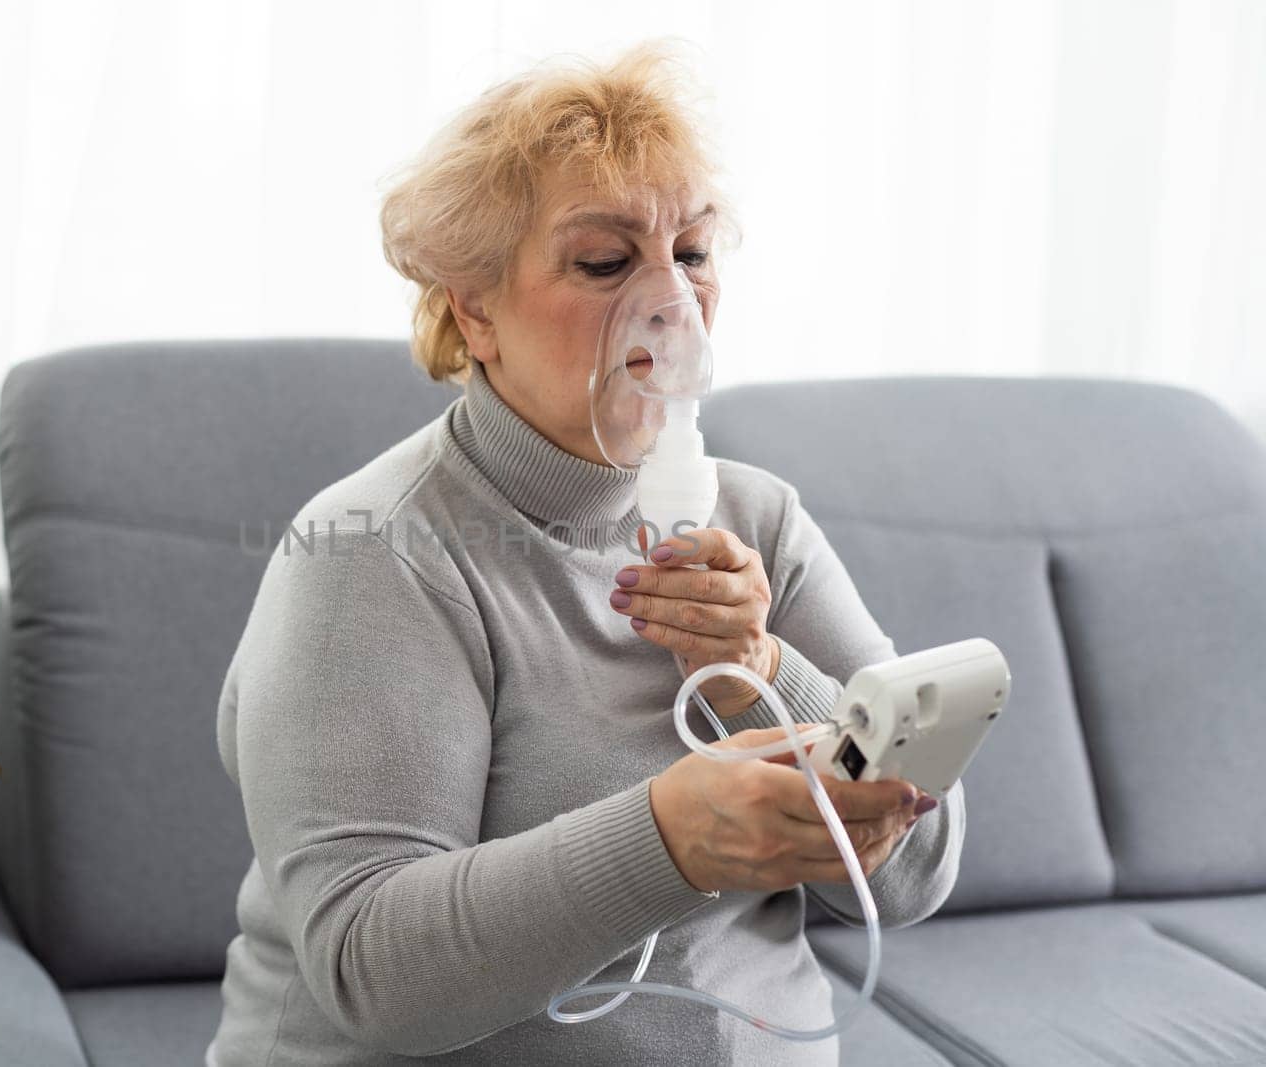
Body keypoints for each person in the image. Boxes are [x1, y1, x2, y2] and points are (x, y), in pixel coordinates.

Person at [208, 41, 964, 1066]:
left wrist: (762, 672)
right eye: (605, 262)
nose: (672, 305)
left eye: (692, 254)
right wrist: (670, 838)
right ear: (473, 308)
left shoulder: (760, 520)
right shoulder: (373, 554)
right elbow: (370, 972)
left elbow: (914, 876)